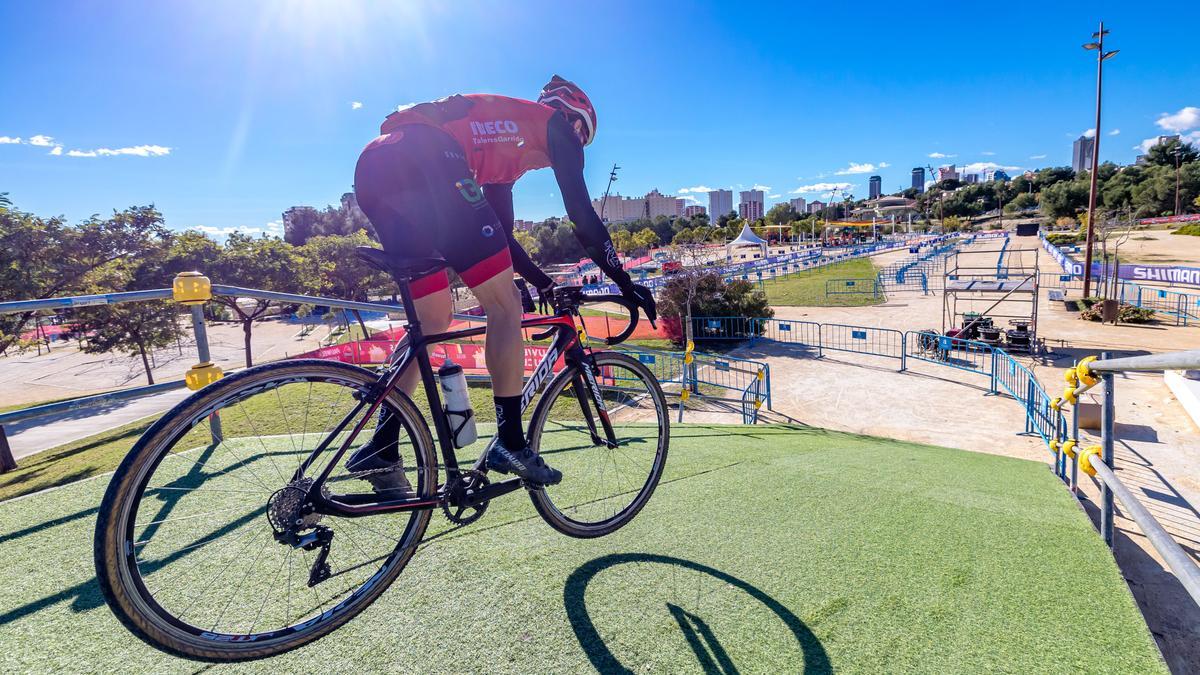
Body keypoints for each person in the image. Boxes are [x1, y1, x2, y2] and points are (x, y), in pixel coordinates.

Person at [348, 76, 656, 492]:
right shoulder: (555, 125)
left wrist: (544, 282)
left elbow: (502, 238)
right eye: (583, 136)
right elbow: (581, 214)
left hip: (379, 166)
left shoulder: (501, 154)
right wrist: (624, 279)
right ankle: (509, 441)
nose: (578, 147)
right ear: (573, 119)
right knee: (505, 305)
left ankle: (381, 445)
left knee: (434, 320)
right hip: (427, 159)